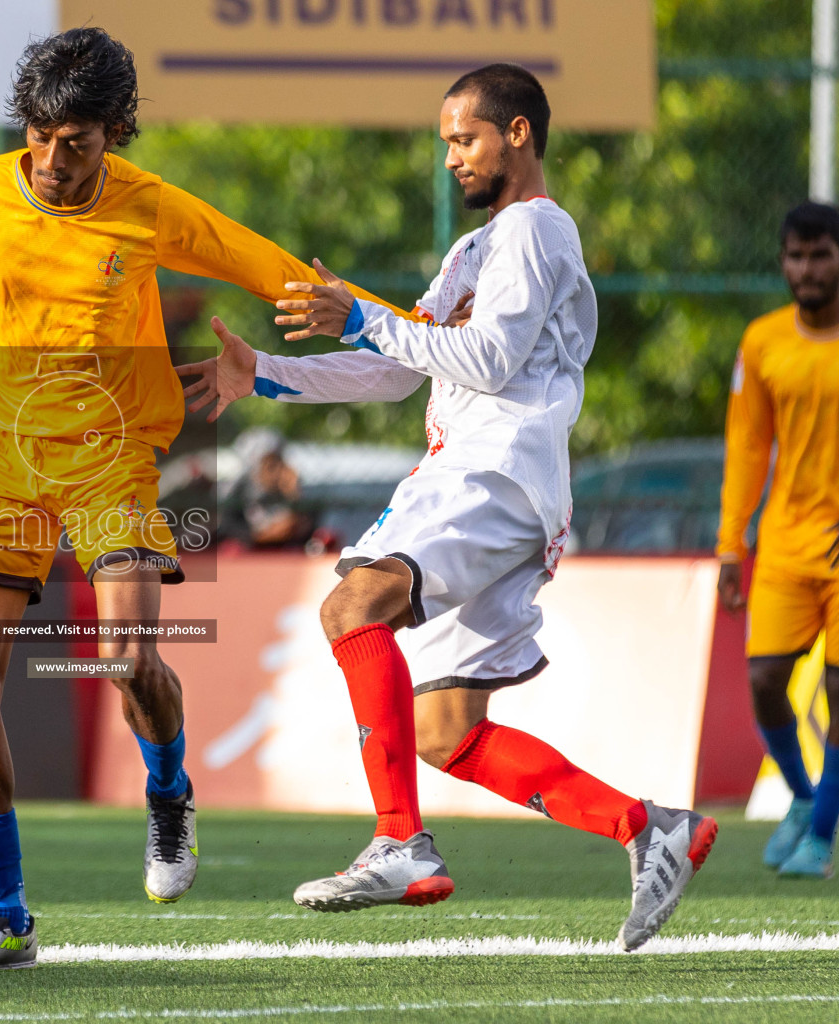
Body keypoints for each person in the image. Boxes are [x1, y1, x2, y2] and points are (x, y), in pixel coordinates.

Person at [0, 27, 407, 972]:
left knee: (127, 660)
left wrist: (418, 331)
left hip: (110, 461)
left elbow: (272, 268)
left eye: (80, 141)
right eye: (42, 135)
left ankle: (169, 791)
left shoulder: (151, 208)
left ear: (118, 134)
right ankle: (6, 916)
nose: (56, 160)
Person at [176, 63, 717, 952]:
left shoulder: (538, 231)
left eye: (464, 139)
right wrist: (267, 372)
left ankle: (399, 840)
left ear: (518, 134)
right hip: (509, 492)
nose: (451, 159)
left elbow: (490, 361)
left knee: (352, 605)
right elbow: (400, 367)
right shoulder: (472, 250)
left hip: (489, 472)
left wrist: (362, 316)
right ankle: (650, 829)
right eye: (444, 144)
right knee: (445, 732)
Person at [717, 201, 839, 878]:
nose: (807, 268)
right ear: (783, 263)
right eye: (796, 256)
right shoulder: (762, 341)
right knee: (766, 681)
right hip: (789, 543)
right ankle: (802, 797)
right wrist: (730, 546)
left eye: (820, 254)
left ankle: (820, 839)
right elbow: (746, 448)